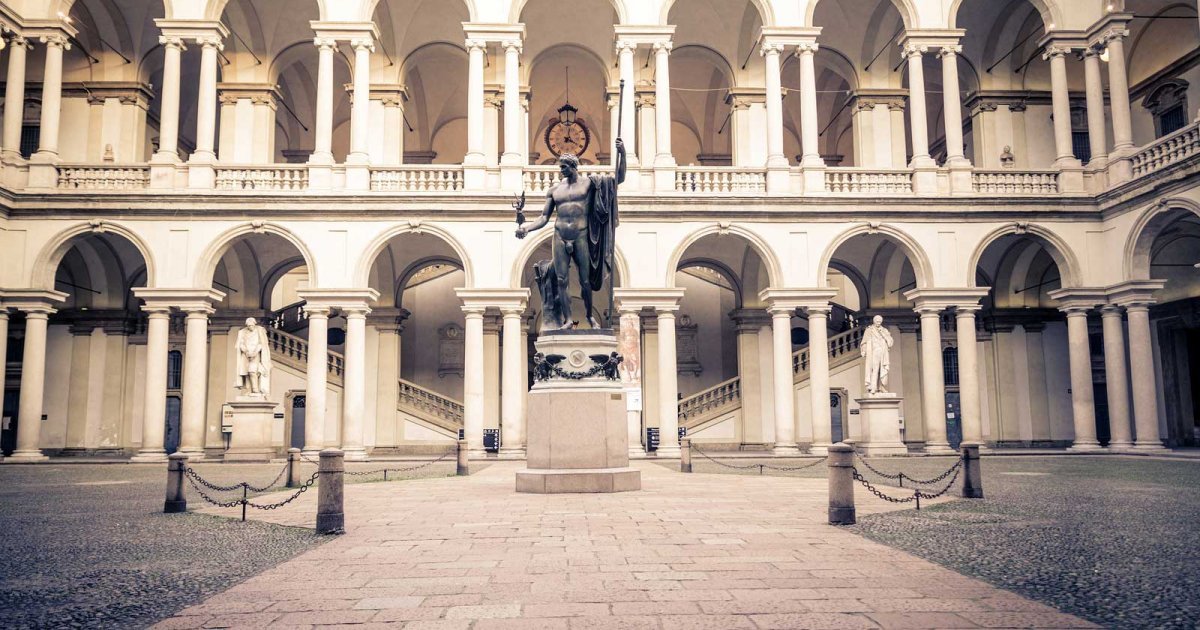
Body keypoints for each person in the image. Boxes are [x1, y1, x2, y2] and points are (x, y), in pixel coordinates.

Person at [517, 138, 626, 330]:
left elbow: (619, 179)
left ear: (573, 166)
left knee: (585, 280)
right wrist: (526, 228)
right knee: (561, 279)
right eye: (560, 167)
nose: (561, 171)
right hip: (559, 235)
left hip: (581, 235)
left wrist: (622, 153)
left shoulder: (589, 184)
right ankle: (567, 319)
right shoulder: (554, 190)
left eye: (564, 167)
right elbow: (544, 217)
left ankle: (589, 316)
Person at [235, 317, 272, 396]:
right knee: (246, 372)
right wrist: (246, 351)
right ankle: (248, 389)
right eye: (248, 326)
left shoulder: (259, 330)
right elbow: (240, 343)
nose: (250, 327)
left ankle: (255, 390)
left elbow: (262, 343)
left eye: (251, 325)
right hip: (246, 355)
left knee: (253, 371)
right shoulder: (243, 332)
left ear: (254, 324)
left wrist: (255, 352)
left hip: (256, 354)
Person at [860, 314, 893, 395]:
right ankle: (873, 387)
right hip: (873, 352)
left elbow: (890, 342)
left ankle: (882, 387)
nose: (878, 323)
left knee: (883, 370)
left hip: (883, 352)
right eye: (877, 321)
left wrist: (884, 335)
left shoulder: (884, 330)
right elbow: (864, 341)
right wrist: (864, 350)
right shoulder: (869, 330)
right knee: (875, 370)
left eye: (880, 321)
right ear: (874, 321)